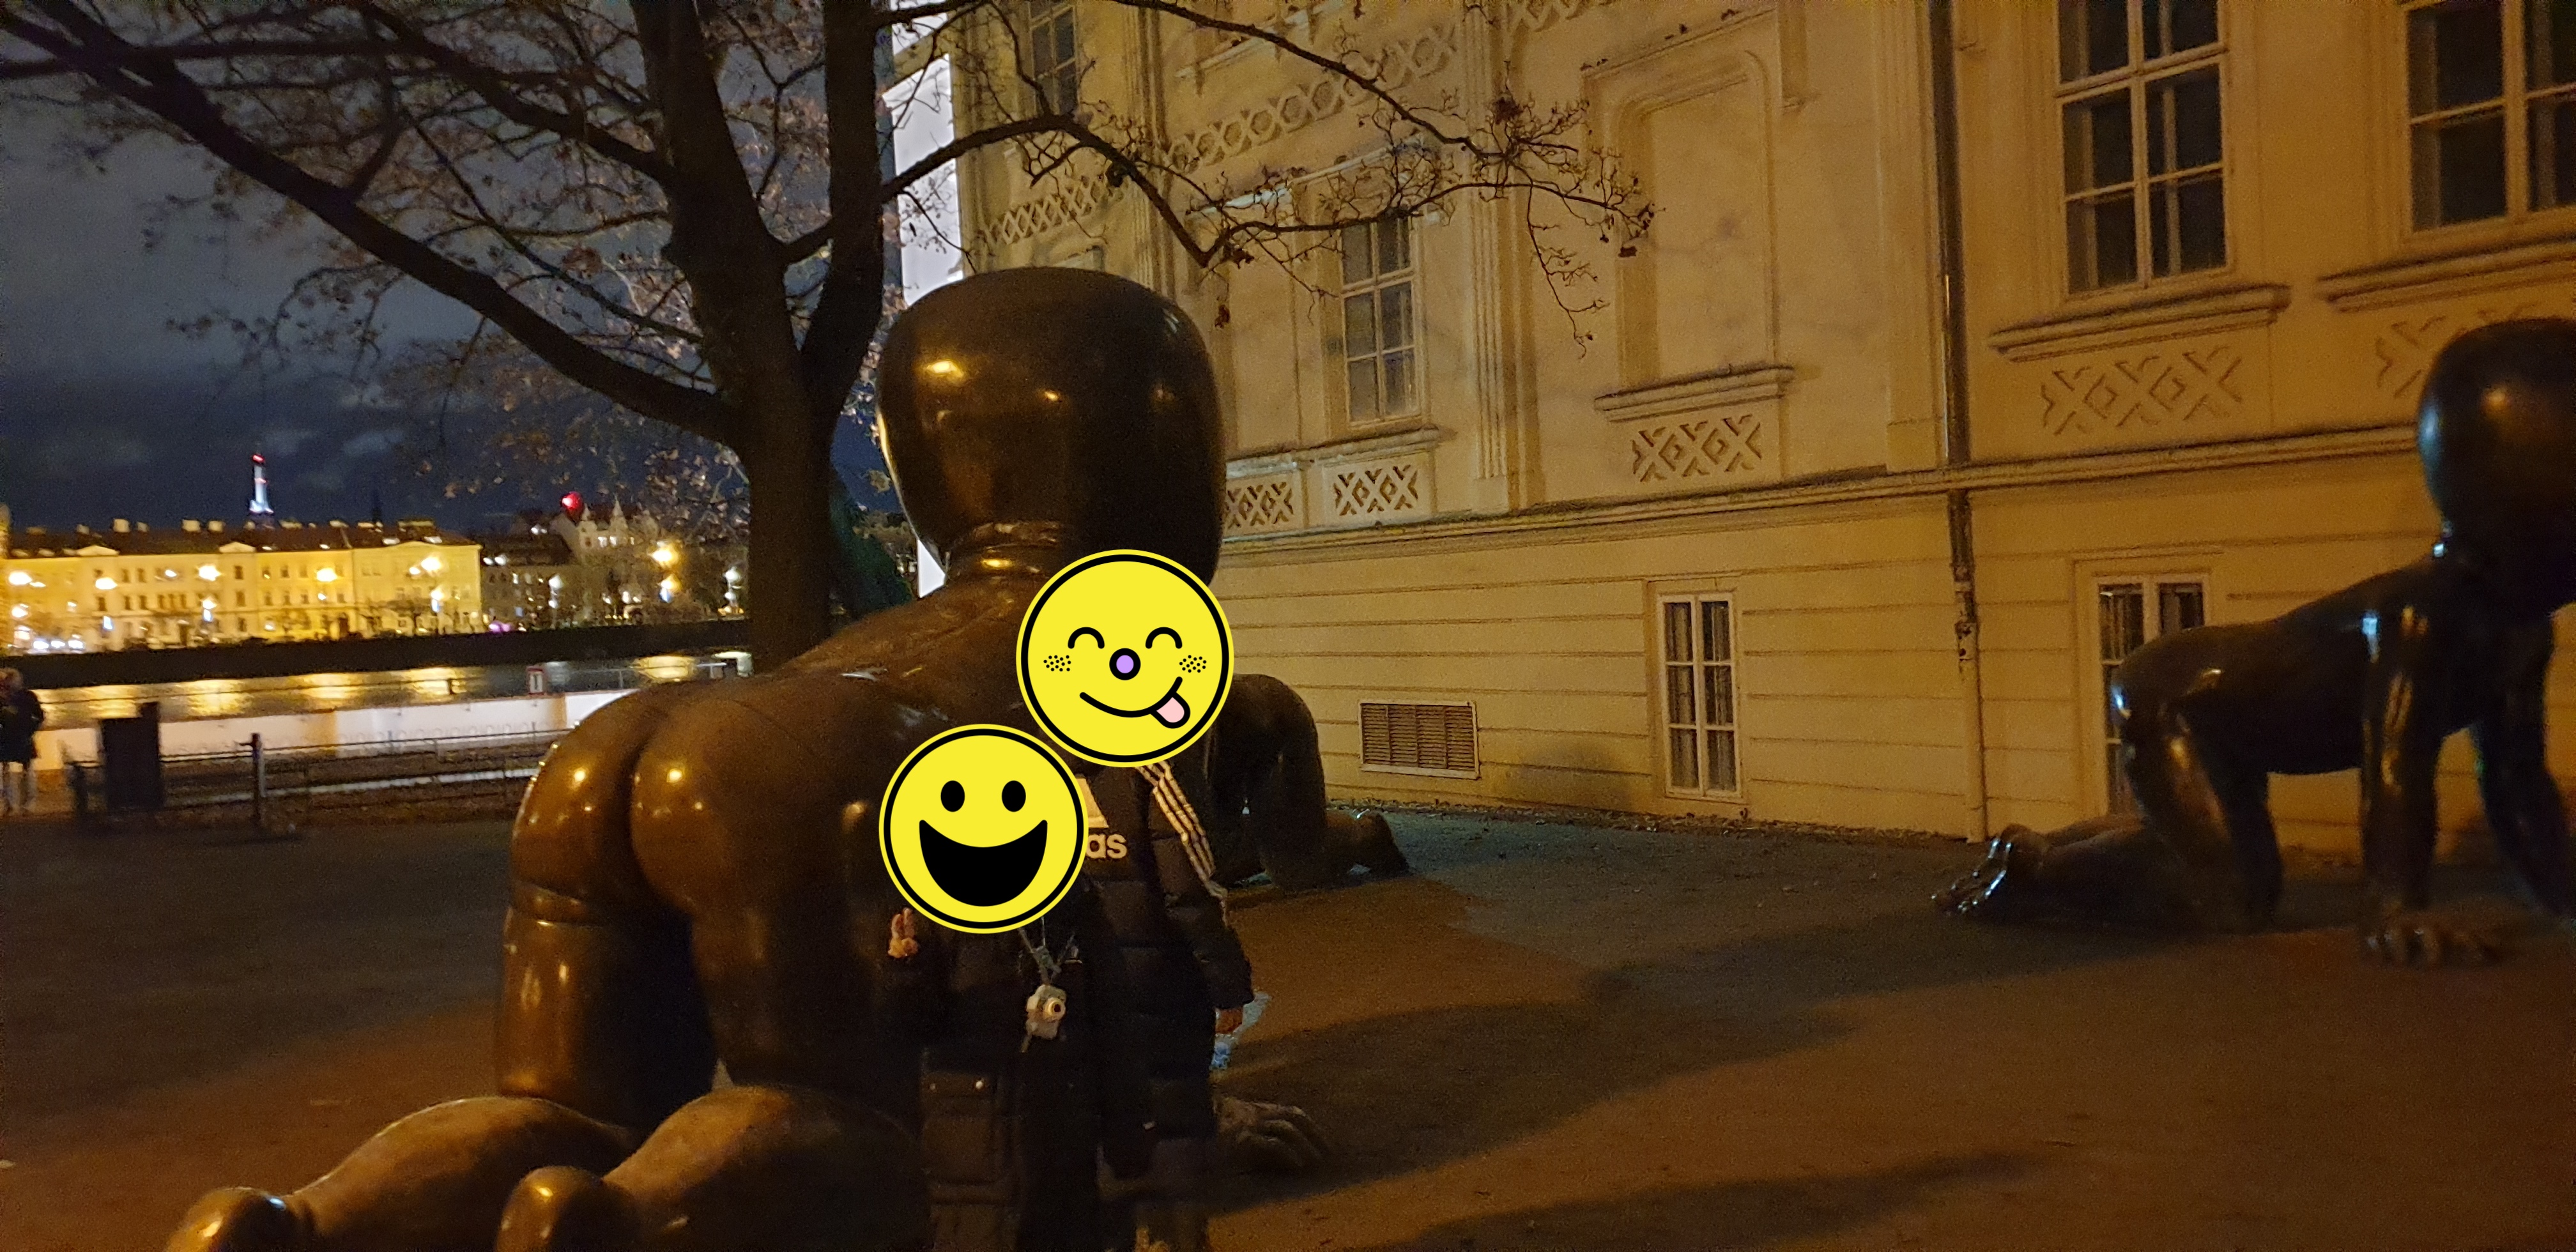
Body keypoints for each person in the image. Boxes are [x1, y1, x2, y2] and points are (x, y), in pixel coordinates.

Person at [882, 877, 1156, 1252]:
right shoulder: (935, 904)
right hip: (970, 1153)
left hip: (1058, 1147)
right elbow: (906, 1030)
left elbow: (1112, 1021)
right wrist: (907, 968)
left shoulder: (1072, 904)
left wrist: (1128, 1134)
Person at [0, 668, 42, 815]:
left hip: (15, 737)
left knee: (17, 770)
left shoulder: (24, 697)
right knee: (21, 770)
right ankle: (19, 805)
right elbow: (39, 717)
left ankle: (19, 805)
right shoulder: (27, 696)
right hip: (16, 737)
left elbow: (38, 717)